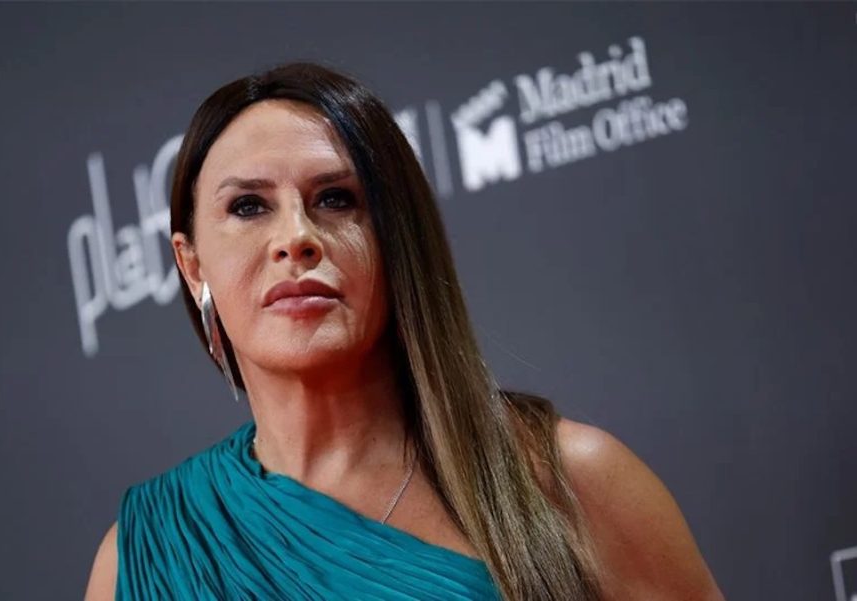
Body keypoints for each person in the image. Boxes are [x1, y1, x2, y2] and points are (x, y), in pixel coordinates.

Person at [84, 61, 724, 601]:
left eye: (336, 198)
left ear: (398, 236)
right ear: (192, 264)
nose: (296, 238)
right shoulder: (140, 556)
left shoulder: (572, 482)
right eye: (248, 206)